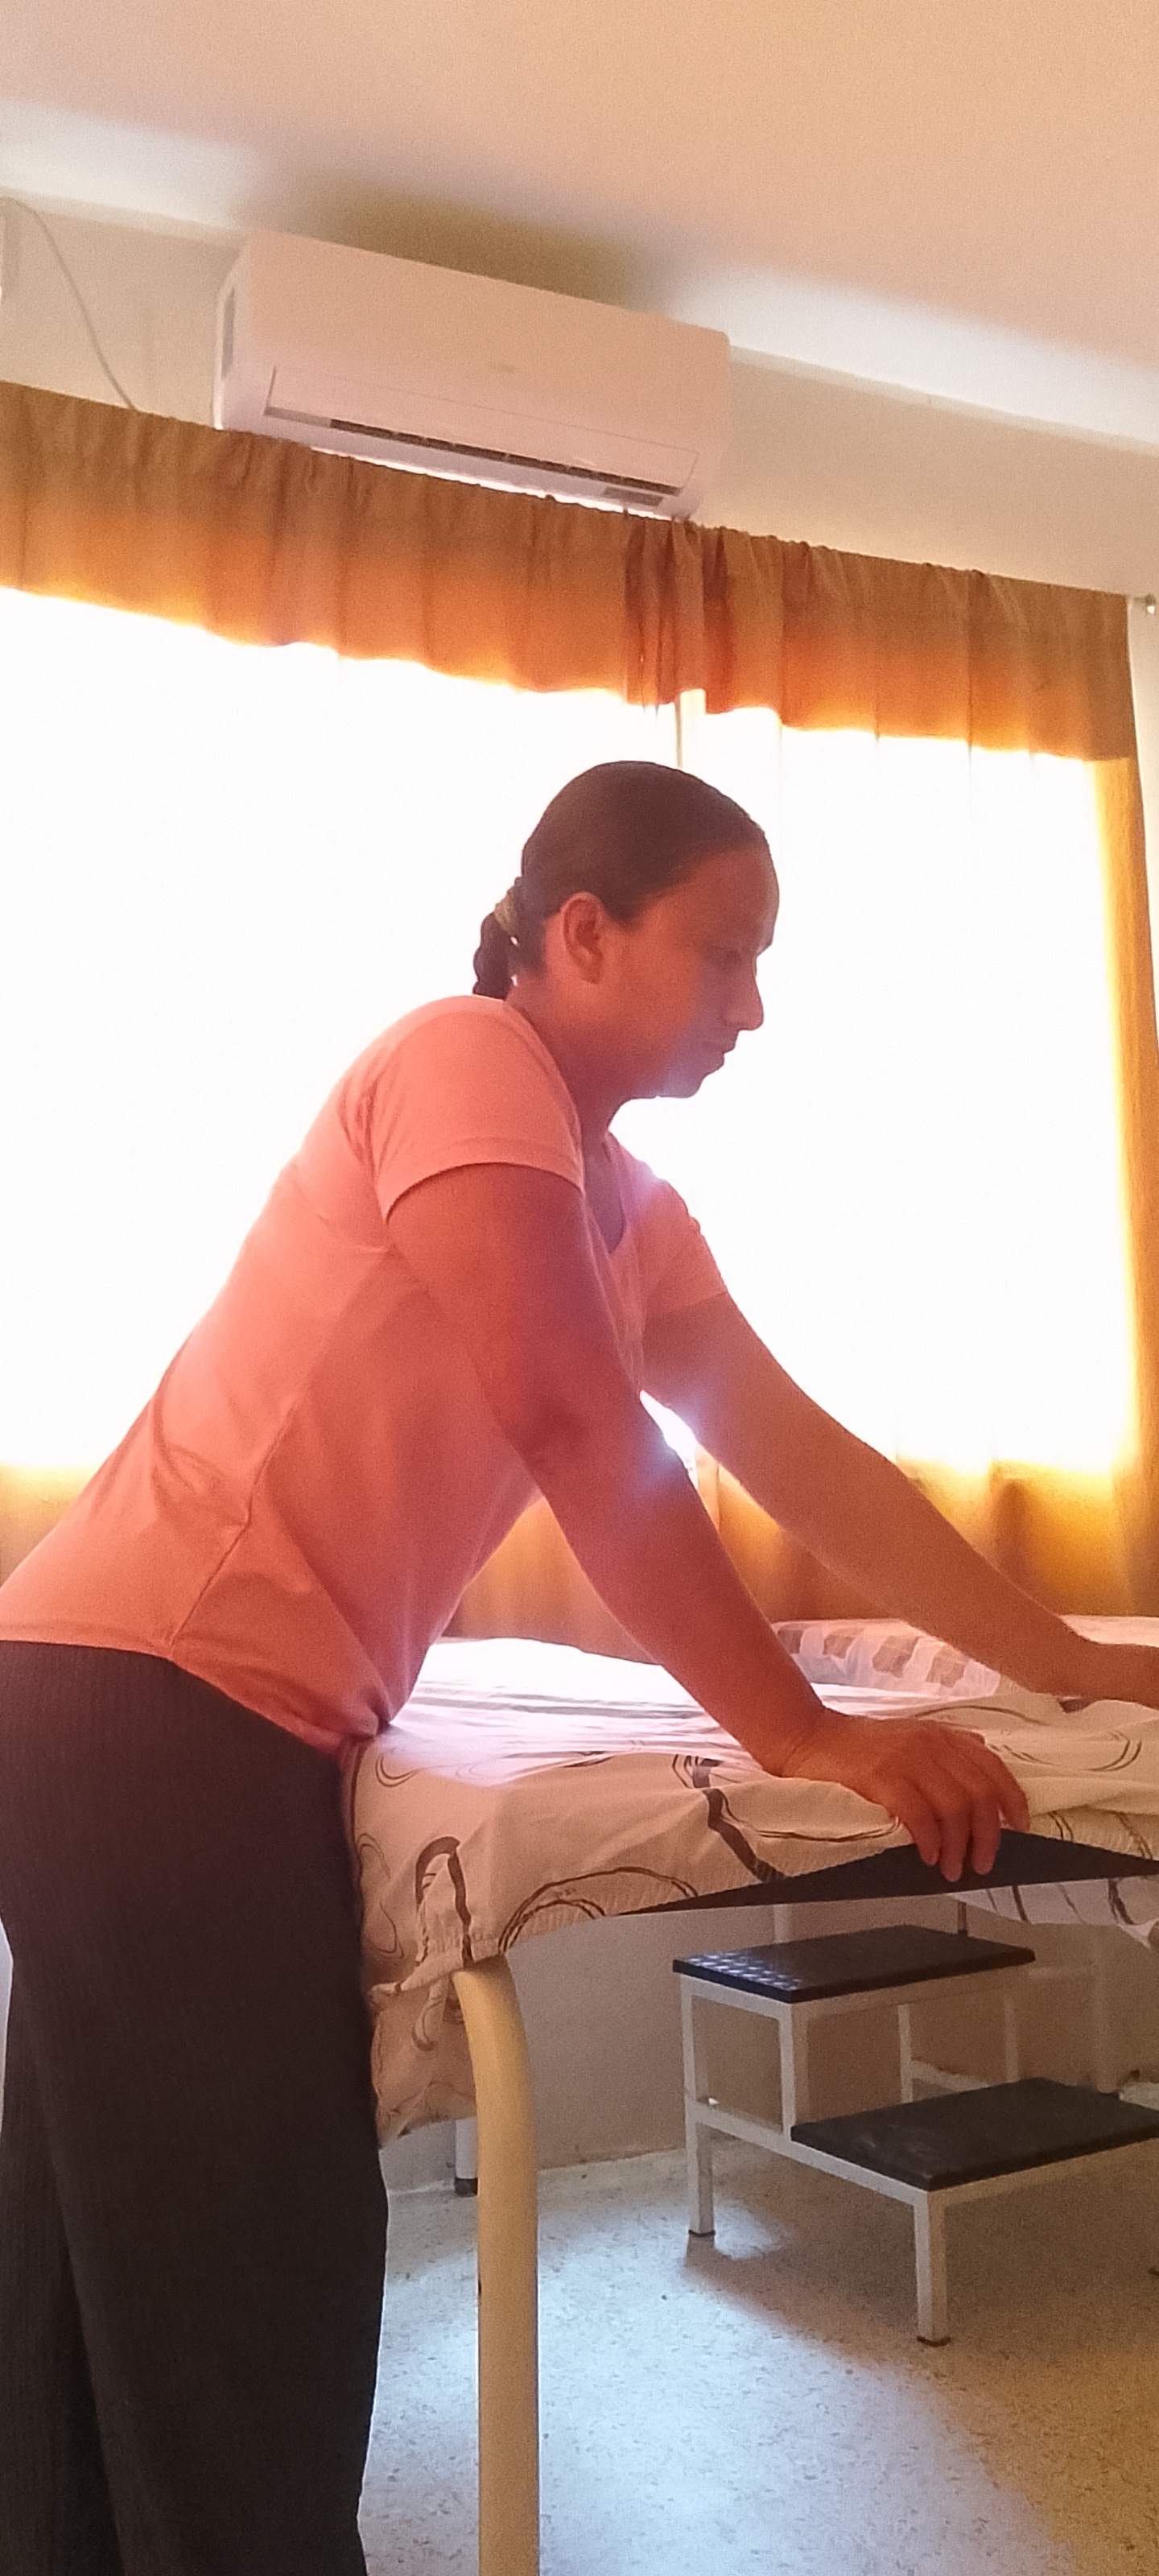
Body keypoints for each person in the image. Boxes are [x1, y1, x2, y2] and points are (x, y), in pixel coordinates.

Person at [1, 758, 1156, 2574]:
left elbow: (813, 1465)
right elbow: (569, 1415)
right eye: (725, 955)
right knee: (249, 2296)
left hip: (157, 1711)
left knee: (95, 2290)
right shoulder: (466, 1062)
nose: (752, 1008)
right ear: (584, 933)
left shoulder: (627, 1203)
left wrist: (1064, 1656)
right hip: (150, 1708)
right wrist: (800, 1732)